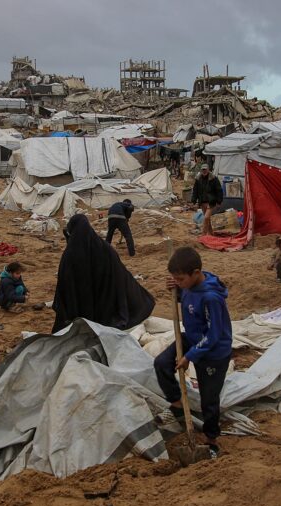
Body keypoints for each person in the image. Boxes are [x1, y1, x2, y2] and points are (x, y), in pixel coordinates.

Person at [154, 246, 232, 459]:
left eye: (180, 279)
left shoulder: (211, 298)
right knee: (162, 363)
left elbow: (214, 335)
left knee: (209, 399)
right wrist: (177, 291)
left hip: (214, 352)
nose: (178, 282)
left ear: (196, 273)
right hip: (192, 337)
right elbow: (188, 299)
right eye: (175, 279)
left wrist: (190, 356)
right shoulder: (188, 286)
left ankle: (211, 440)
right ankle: (177, 405)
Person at [52, 214, 155, 333]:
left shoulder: (69, 256)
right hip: (107, 308)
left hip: (80, 312)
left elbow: (64, 285)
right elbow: (120, 275)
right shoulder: (105, 249)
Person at [191, 164, 223, 236]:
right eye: (203, 170)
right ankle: (211, 233)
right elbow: (195, 190)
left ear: (208, 170)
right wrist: (193, 201)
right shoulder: (198, 179)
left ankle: (203, 235)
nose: (204, 171)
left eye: (205, 169)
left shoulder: (213, 179)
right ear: (201, 170)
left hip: (211, 202)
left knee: (206, 217)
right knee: (207, 219)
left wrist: (219, 202)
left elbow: (219, 190)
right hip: (202, 202)